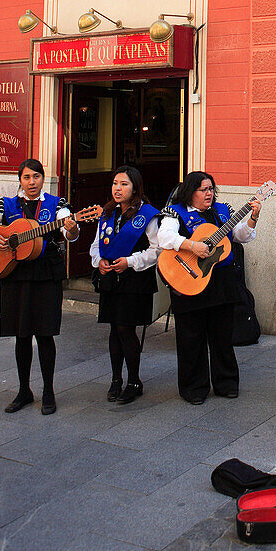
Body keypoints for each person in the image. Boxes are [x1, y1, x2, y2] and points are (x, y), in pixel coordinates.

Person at [0, 158, 79, 415]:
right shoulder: (6, 205)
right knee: (21, 333)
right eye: (27, 177)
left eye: (36, 177)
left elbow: (70, 233)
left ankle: (48, 391)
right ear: (20, 180)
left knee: (45, 333)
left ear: (42, 178)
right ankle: (24, 390)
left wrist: (71, 227)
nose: (32, 182)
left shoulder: (57, 204)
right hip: (15, 274)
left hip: (45, 274)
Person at [158, 172, 260, 404]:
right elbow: (164, 237)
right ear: (190, 192)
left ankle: (226, 383)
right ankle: (193, 387)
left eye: (211, 189)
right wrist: (192, 245)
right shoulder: (176, 212)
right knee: (190, 337)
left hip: (221, 280)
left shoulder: (223, 210)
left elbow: (241, 236)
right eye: (203, 189)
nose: (209, 194)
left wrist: (253, 217)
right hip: (189, 278)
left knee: (222, 335)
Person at [90, 166, 160, 405]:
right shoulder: (108, 212)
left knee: (125, 329)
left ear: (135, 188)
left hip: (135, 280)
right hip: (111, 280)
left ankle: (134, 381)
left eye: (124, 184)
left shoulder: (148, 215)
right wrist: (99, 261)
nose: (117, 189)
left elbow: (156, 250)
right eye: (115, 184)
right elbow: (97, 244)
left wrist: (129, 262)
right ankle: (116, 379)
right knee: (113, 329)